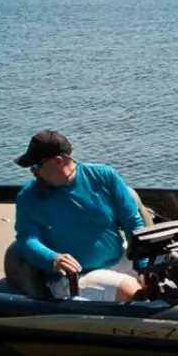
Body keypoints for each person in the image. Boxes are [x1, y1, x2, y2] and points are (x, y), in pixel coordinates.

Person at [11, 129, 146, 302]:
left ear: (58, 161)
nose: (33, 172)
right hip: (76, 277)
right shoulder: (29, 196)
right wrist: (53, 259)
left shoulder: (105, 176)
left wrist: (144, 266)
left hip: (120, 258)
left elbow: (132, 222)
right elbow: (26, 238)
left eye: (35, 166)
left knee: (172, 270)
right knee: (129, 289)